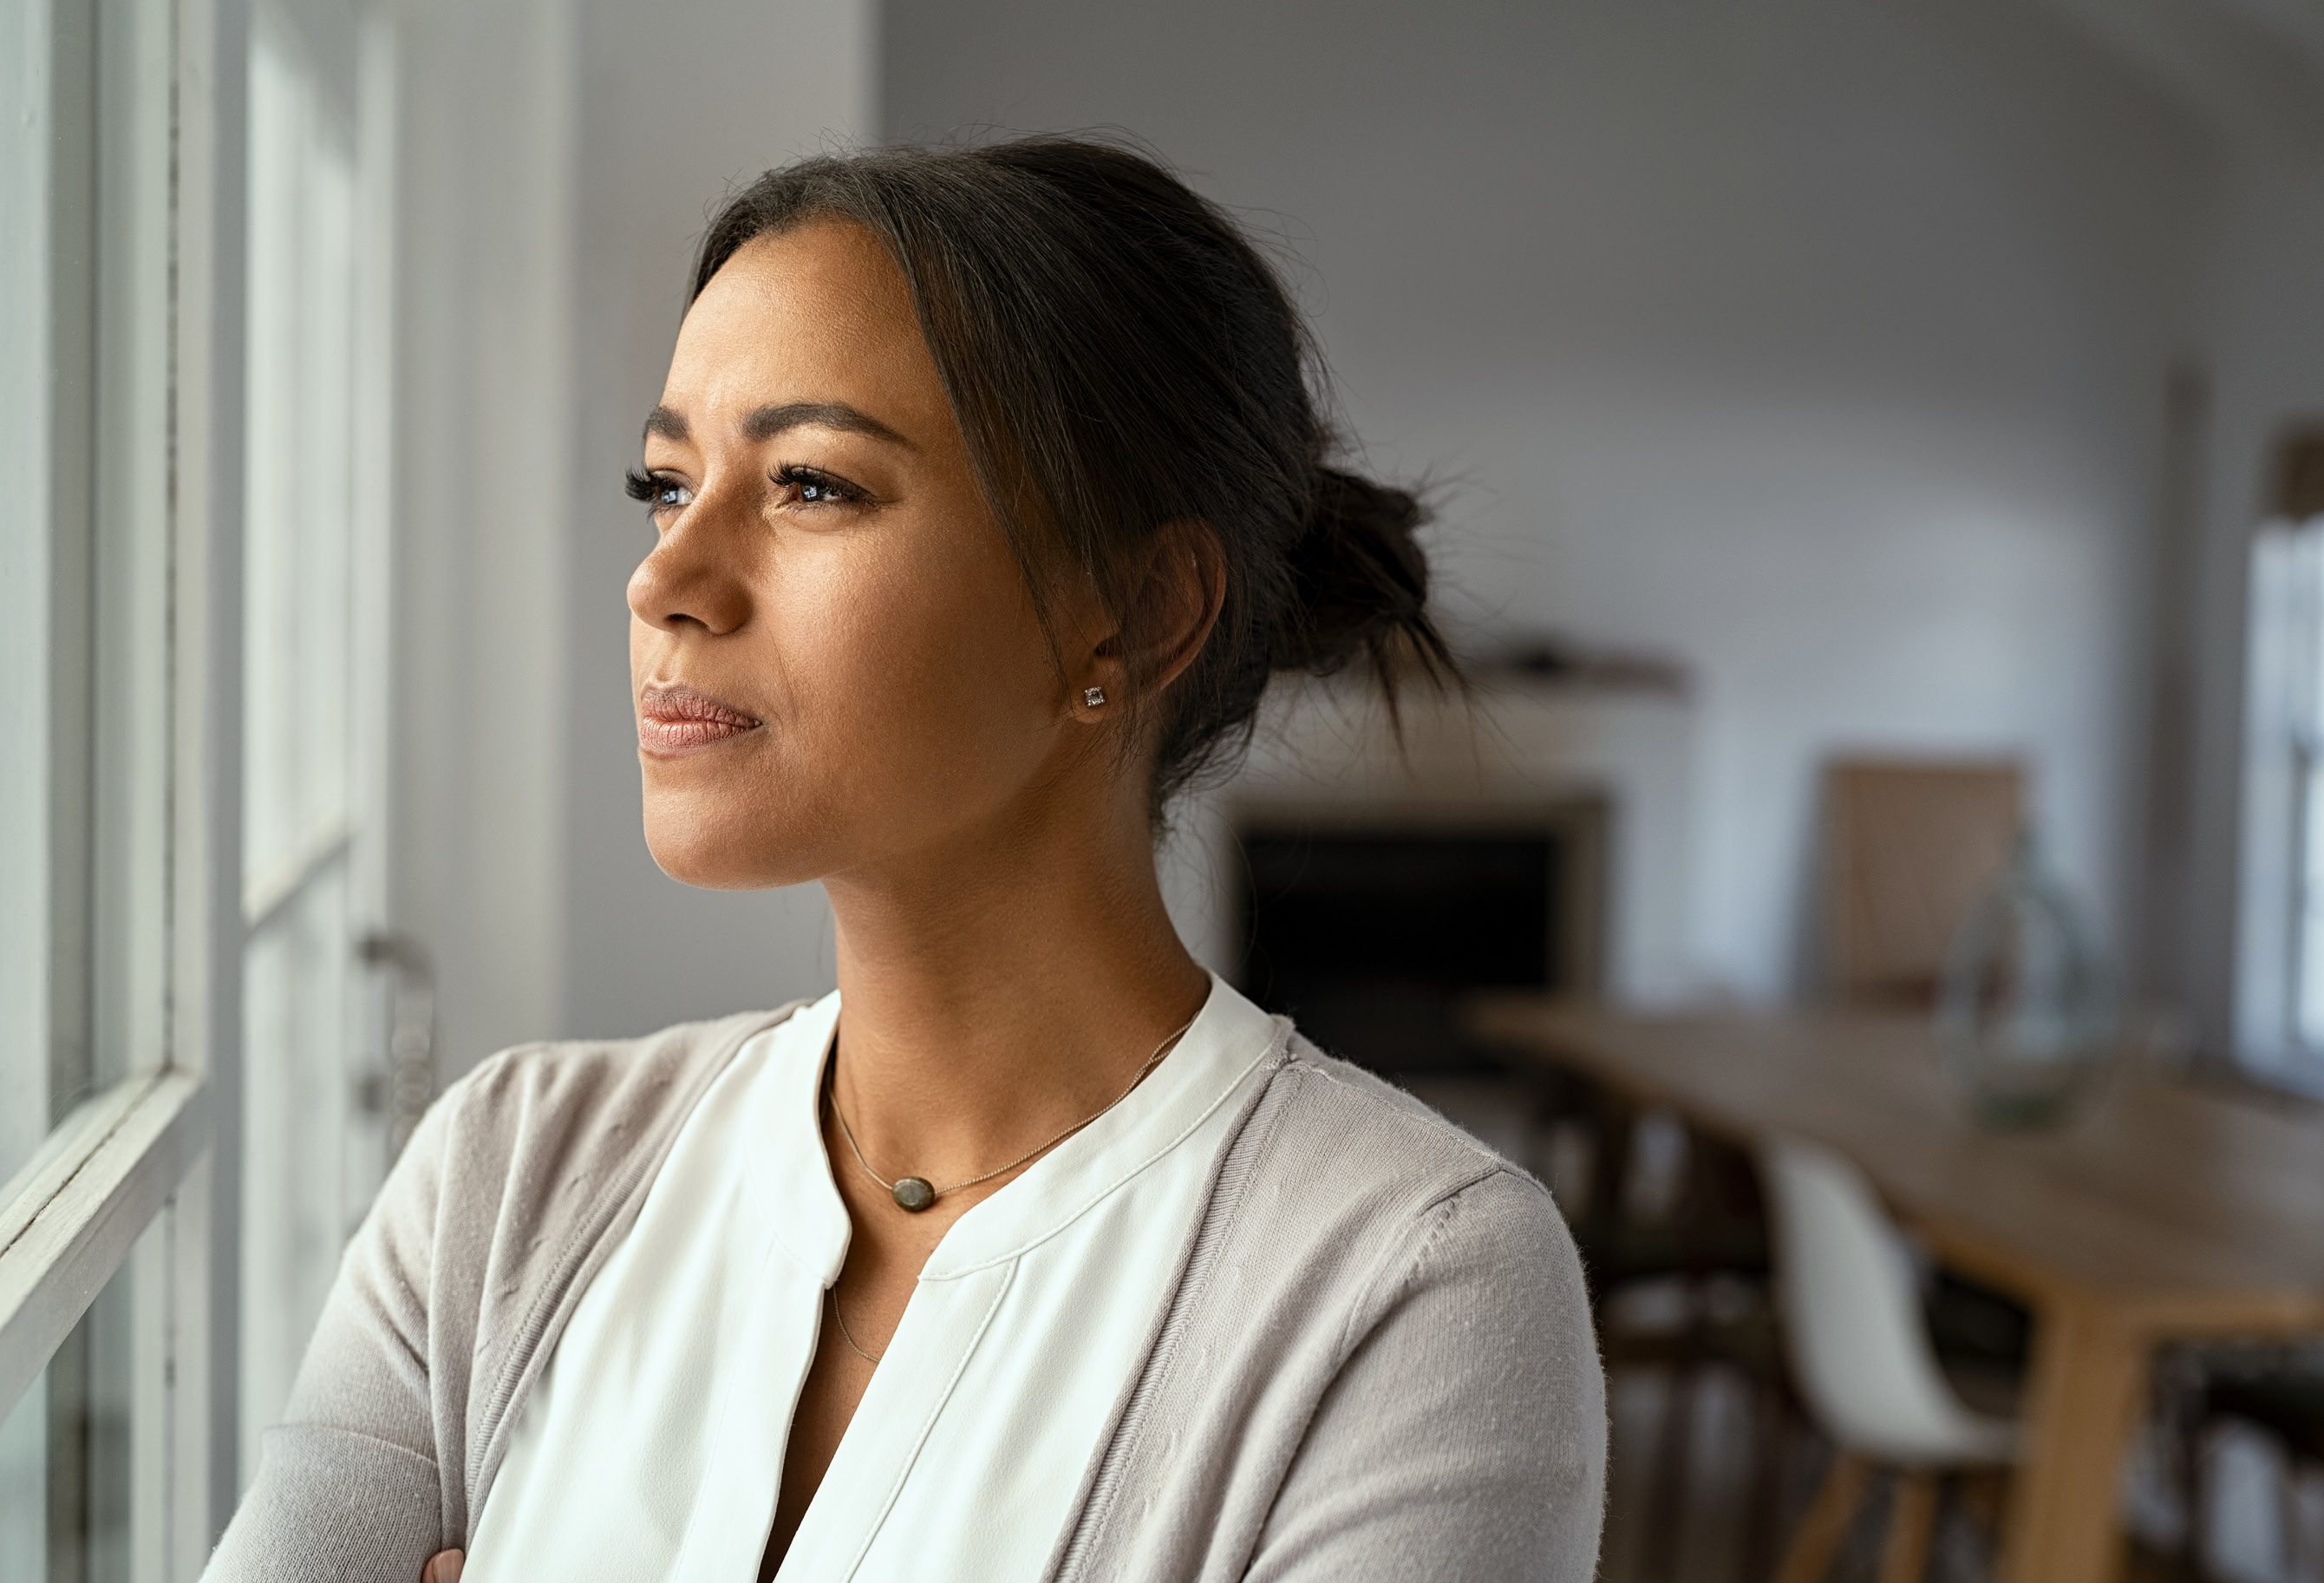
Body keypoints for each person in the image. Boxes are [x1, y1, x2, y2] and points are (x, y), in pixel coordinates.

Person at [206, 135, 1605, 1583]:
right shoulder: (505, 1180)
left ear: (1130, 613)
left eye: (812, 485)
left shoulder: (1414, 1293)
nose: (664, 579)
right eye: (667, 483)